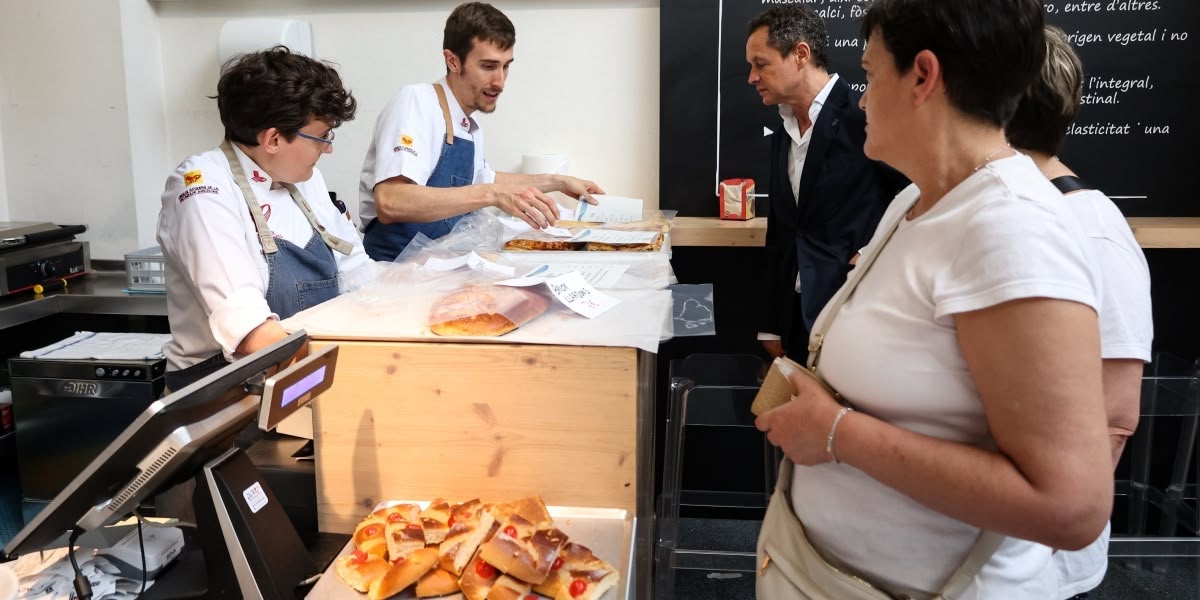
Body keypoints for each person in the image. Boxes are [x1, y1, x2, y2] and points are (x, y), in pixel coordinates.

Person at [754, 0, 1113, 597]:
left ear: (922, 76)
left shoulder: (1012, 229)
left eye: (869, 76)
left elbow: (1070, 507)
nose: (861, 99)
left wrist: (839, 433)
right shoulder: (918, 201)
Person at [1006, 25, 1154, 599]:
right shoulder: (1003, 209)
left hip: (1036, 561)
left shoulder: (1091, 229)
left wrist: (1025, 529)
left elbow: (1114, 418)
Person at [157, 46, 374, 391]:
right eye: (321, 137)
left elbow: (359, 278)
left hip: (299, 376)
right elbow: (250, 331)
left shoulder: (306, 180)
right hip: (227, 397)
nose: (328, 149)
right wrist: (350, 377)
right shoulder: (202, 187)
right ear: (273, 139)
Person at [359, 1, 604, 262]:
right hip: (395, 272)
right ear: (453, 61)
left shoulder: (468, 125)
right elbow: (391, 201)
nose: (499, 81)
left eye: (506, 66)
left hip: (438, 267)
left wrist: (557, 181)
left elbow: (485, 179)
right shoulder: (416, 102)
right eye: (488, 66)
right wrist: (492, 196)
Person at [746, 6, 907, 362]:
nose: (752, 77)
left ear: (800, 54)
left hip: (852, 313)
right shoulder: (783, 132)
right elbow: (782, 232)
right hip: (795, 322)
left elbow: (920, 192)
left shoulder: (863, 116)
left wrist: (870, 253)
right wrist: (771, 324)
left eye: (761, 64)